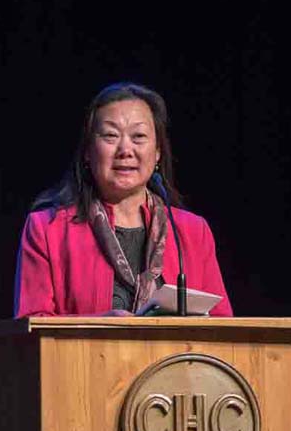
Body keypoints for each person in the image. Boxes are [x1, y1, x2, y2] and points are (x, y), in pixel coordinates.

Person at [13, 83, 233, 317]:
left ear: (157, 151)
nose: (125, 149)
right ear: (88, 151)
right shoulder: (48, 229)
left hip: (178, 356)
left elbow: (222, 328)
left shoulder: (192, 232)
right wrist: (99, 327)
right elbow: (32, 329)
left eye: (138, 136)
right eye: (111, 135)